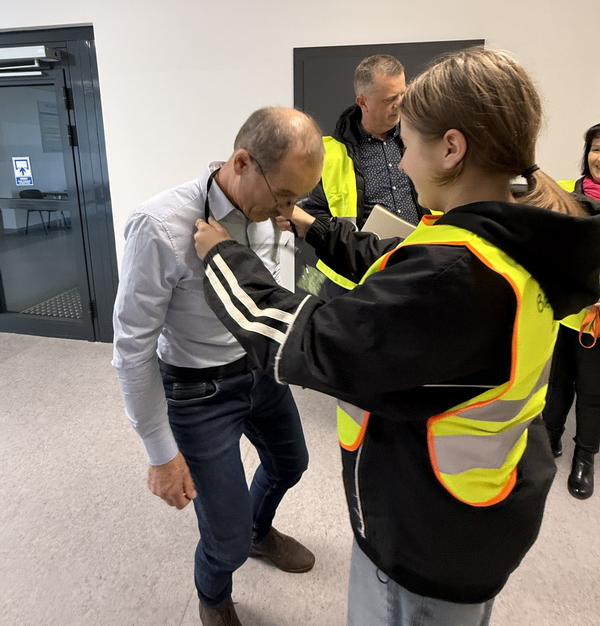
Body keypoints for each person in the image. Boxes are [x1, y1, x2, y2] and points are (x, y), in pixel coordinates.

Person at [194, 48, 600, 626]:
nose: (402, 163)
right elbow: (393, 259)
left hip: (424, 540)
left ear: (452, 148)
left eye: (408, 144)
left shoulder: (459, 279)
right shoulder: (500, 238)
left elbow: (311, 343)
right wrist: (311, 225)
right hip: (472, 516)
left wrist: (223, 257)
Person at [112, 107, 324, 626]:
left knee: (291, 464)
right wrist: (160, 454)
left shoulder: (269, 212)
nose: (288, 211)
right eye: (283, 196)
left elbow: (275, 284)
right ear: (242, 162)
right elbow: (132, 348)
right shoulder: (160, 225)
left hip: (259, 370)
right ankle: (213, 595)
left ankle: (258, 532)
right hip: (198, 390)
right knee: (223, 542)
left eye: (297, 199)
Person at [303, 54, 424, 296]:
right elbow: (312, 213)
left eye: (403, 94)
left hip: (416, 265)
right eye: (390, 99)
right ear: (363, 102)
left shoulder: (421, 138)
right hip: (353, 277)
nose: (400, 104)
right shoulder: (327, 153)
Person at [543, 122, 600, 498]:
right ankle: (550, 439)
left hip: (599, 322)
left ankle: (585, 457)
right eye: (596, 148)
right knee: (557, 381)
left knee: (592, 391)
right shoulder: (564, 192)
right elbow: (548, 248)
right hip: (565, 312)